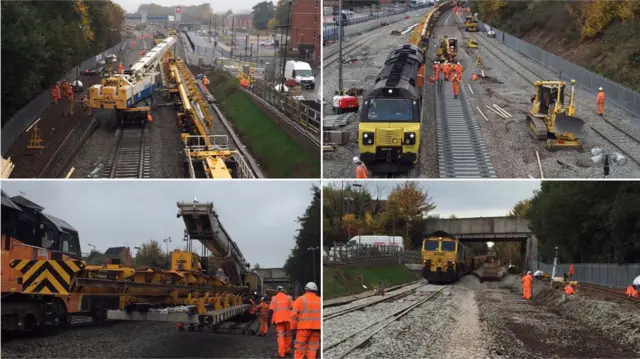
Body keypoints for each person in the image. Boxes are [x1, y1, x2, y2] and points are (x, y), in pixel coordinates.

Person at [290, 282, 320, 359]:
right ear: (315, 291)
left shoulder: (300, 299)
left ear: (306, 290)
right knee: (312, 350)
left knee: (299, 349)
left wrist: (293, 329)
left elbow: (293, 315)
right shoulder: (320, 300)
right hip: (316, 330)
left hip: (303, 329)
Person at [269, 286, 293, 358]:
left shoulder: (274, 299)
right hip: (288, 320)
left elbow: (270, 311)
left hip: (278, 320)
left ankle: (281, 353)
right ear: (283, 291)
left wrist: (269, 322)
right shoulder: (289, 298)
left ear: (277, 291)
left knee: (280, 336)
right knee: (288, 335)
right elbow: (293, 307)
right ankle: (287, 350)